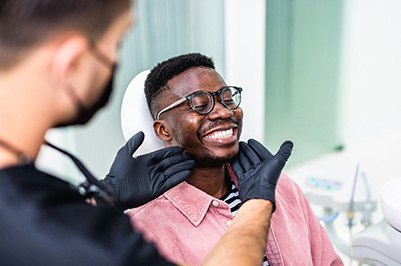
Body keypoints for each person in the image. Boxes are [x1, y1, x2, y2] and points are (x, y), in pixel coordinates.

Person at [0, 1, 292, 265]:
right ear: (72, 63)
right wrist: (256, 204)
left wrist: (105, 197)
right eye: (117, 42)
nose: (221, 112)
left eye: (226, 98)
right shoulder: (105, 244)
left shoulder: (29, 210)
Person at [125, 53, 344, 266]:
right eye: (200, 105)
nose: (223, 112)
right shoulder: (144, 231)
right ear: (163, 130)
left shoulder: (279, 187)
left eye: (228, 99)